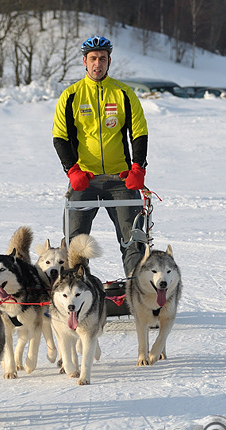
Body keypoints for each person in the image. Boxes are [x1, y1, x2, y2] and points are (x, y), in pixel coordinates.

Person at [52, 35, 148, 276]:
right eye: (93, 58)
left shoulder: (124, 94)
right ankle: (78, 292)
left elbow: (139, 132)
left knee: (133, 241)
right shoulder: (71, 96)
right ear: (84, 61)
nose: (98, 64)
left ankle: (137, 291)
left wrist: (138, 169)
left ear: (109, 61)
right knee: (76, 246)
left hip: (122, 179)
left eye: (102, 59)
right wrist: (72, 171)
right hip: (84, 179)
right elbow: (60, 137)